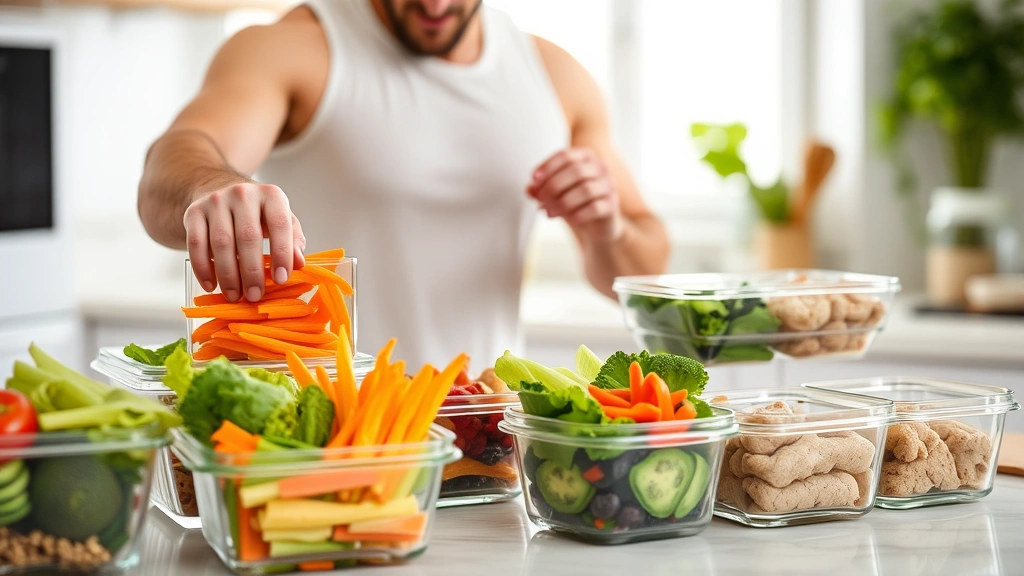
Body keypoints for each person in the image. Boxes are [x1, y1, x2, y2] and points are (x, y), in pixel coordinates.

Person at [138, 0, 669, 368]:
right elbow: (173, 161)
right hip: (321, 436)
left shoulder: (555, 76)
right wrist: (207, 188)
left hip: (482, 433)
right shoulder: (292, 48)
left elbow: (645, 274)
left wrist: (609, 228)